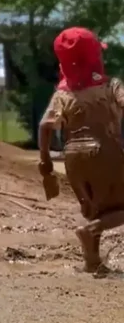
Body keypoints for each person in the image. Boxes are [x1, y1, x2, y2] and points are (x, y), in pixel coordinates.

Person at [38, 27, 124, 274]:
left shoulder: (63, 94)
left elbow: (46, 125)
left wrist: (45, 163)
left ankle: (92, 262)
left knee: (94, 209)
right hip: (106, 151)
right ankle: (90, 232)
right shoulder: (111, 86)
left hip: (73, 156)